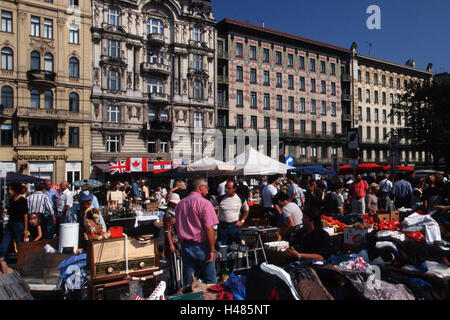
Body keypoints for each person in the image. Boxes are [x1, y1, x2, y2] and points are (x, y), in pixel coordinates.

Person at [175, 176, 219, 285]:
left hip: (186, 246)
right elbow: (209, 228)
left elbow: (178, 225)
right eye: (206, 188)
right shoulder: (205, 203)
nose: (207, 190)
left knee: (189, 283)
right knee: (210, 282)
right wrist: (212, 250)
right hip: (202, 246)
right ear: (201, 187)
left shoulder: (180, 204)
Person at [0, 183, 28, 261]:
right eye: (8, 189)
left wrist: (25, 229)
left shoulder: (23, 200)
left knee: (19, 244)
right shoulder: (11, 200)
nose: (9, 191)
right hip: (10, 223)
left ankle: (21, 261)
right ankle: (1, 259)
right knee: (4, 242)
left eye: (11, 189)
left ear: (16, 190)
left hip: (19, 224)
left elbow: (25, 215)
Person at [217, 179, 249, 246]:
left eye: (229, 188)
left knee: (235, 247)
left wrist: (242, 221)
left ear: (234, 189)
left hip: (234, 227)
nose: (226, 190)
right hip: (223, 227)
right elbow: (209, 207)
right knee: (222, 248)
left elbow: (246, 210)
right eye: (226, 188)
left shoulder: (241, 198)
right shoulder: (220, 198)